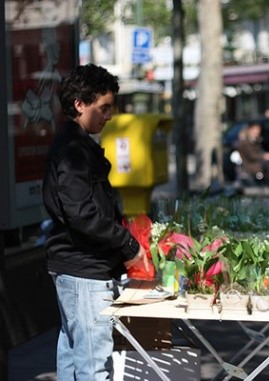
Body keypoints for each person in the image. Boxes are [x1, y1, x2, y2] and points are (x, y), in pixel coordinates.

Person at [42, 64, 147, 380]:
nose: (109, 116)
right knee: (92, 367)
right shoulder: (73, 149)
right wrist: (128, 244)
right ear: (79, 105)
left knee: (75, 362)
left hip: (77, 268)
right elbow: (83, 213)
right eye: (103, 108)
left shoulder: (74, 145)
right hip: (84, 271)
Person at [237, 121, 269, 195]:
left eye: (258, 130)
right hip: (251, 165)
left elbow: (260, 152)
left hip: (258, 162)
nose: (257, 132)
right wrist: (264, 156)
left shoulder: (256, 141)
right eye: (255, 130)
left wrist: (266, 155)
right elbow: (252, 156)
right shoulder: (245, 142)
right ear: (250, 130)